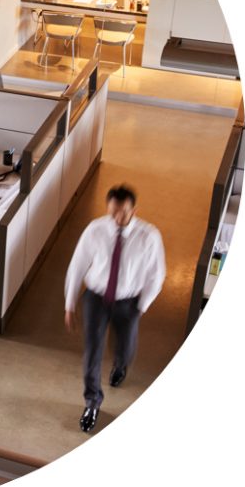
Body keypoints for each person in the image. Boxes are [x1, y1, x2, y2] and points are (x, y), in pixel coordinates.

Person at [64, 185, 166, 433]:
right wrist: (70, 303)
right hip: (96, 298)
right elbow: (78, 265)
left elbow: (157, 274)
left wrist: (142, 306)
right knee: (93, 351)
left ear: (134, 210)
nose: (116, 219)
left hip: (128, 302)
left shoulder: (149, 236)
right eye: (112, 212)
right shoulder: (95, 230)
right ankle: (92, 402)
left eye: (122, 213)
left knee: (126, 348)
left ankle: (120, 365)